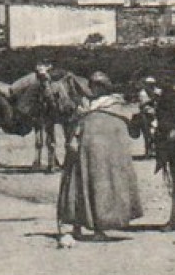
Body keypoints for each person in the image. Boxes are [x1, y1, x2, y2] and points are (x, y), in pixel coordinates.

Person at [56, 72, 144, 241]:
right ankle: (76, 225)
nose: (92, 88)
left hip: (104, 157)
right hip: (82, 151)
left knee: (100, 188)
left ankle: (99, 227)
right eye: (91, 85)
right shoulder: (86, 105)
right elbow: (76, 122)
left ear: (104, 88)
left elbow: (122, 130)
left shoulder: (115, 107)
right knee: (78, 186)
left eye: (96, 85)